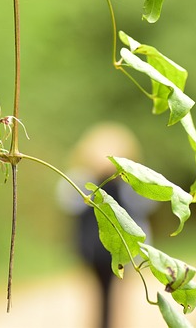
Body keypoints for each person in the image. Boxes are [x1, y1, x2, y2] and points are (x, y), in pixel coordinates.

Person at [57, 122, 157, 328]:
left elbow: (144, 206)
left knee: (115, 295)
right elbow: (68, 202)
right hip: (92, 249)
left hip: (122, 250)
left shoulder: (129, 183)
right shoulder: (82, 180)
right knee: (99, 293)